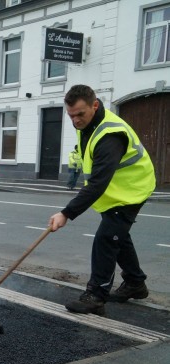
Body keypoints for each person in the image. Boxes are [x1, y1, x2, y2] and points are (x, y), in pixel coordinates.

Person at [49, 85, 155, 316]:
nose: (75, 120)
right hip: (115, 192)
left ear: (94, 105)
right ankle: (136, 283)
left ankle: (96, 295)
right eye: (71, 115)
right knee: (118, 236)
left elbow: (97, 184)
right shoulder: (88, 123)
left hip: (132, 191)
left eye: (80, 114)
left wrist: (66, 213)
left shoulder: (110, 135)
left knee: (107, 237)